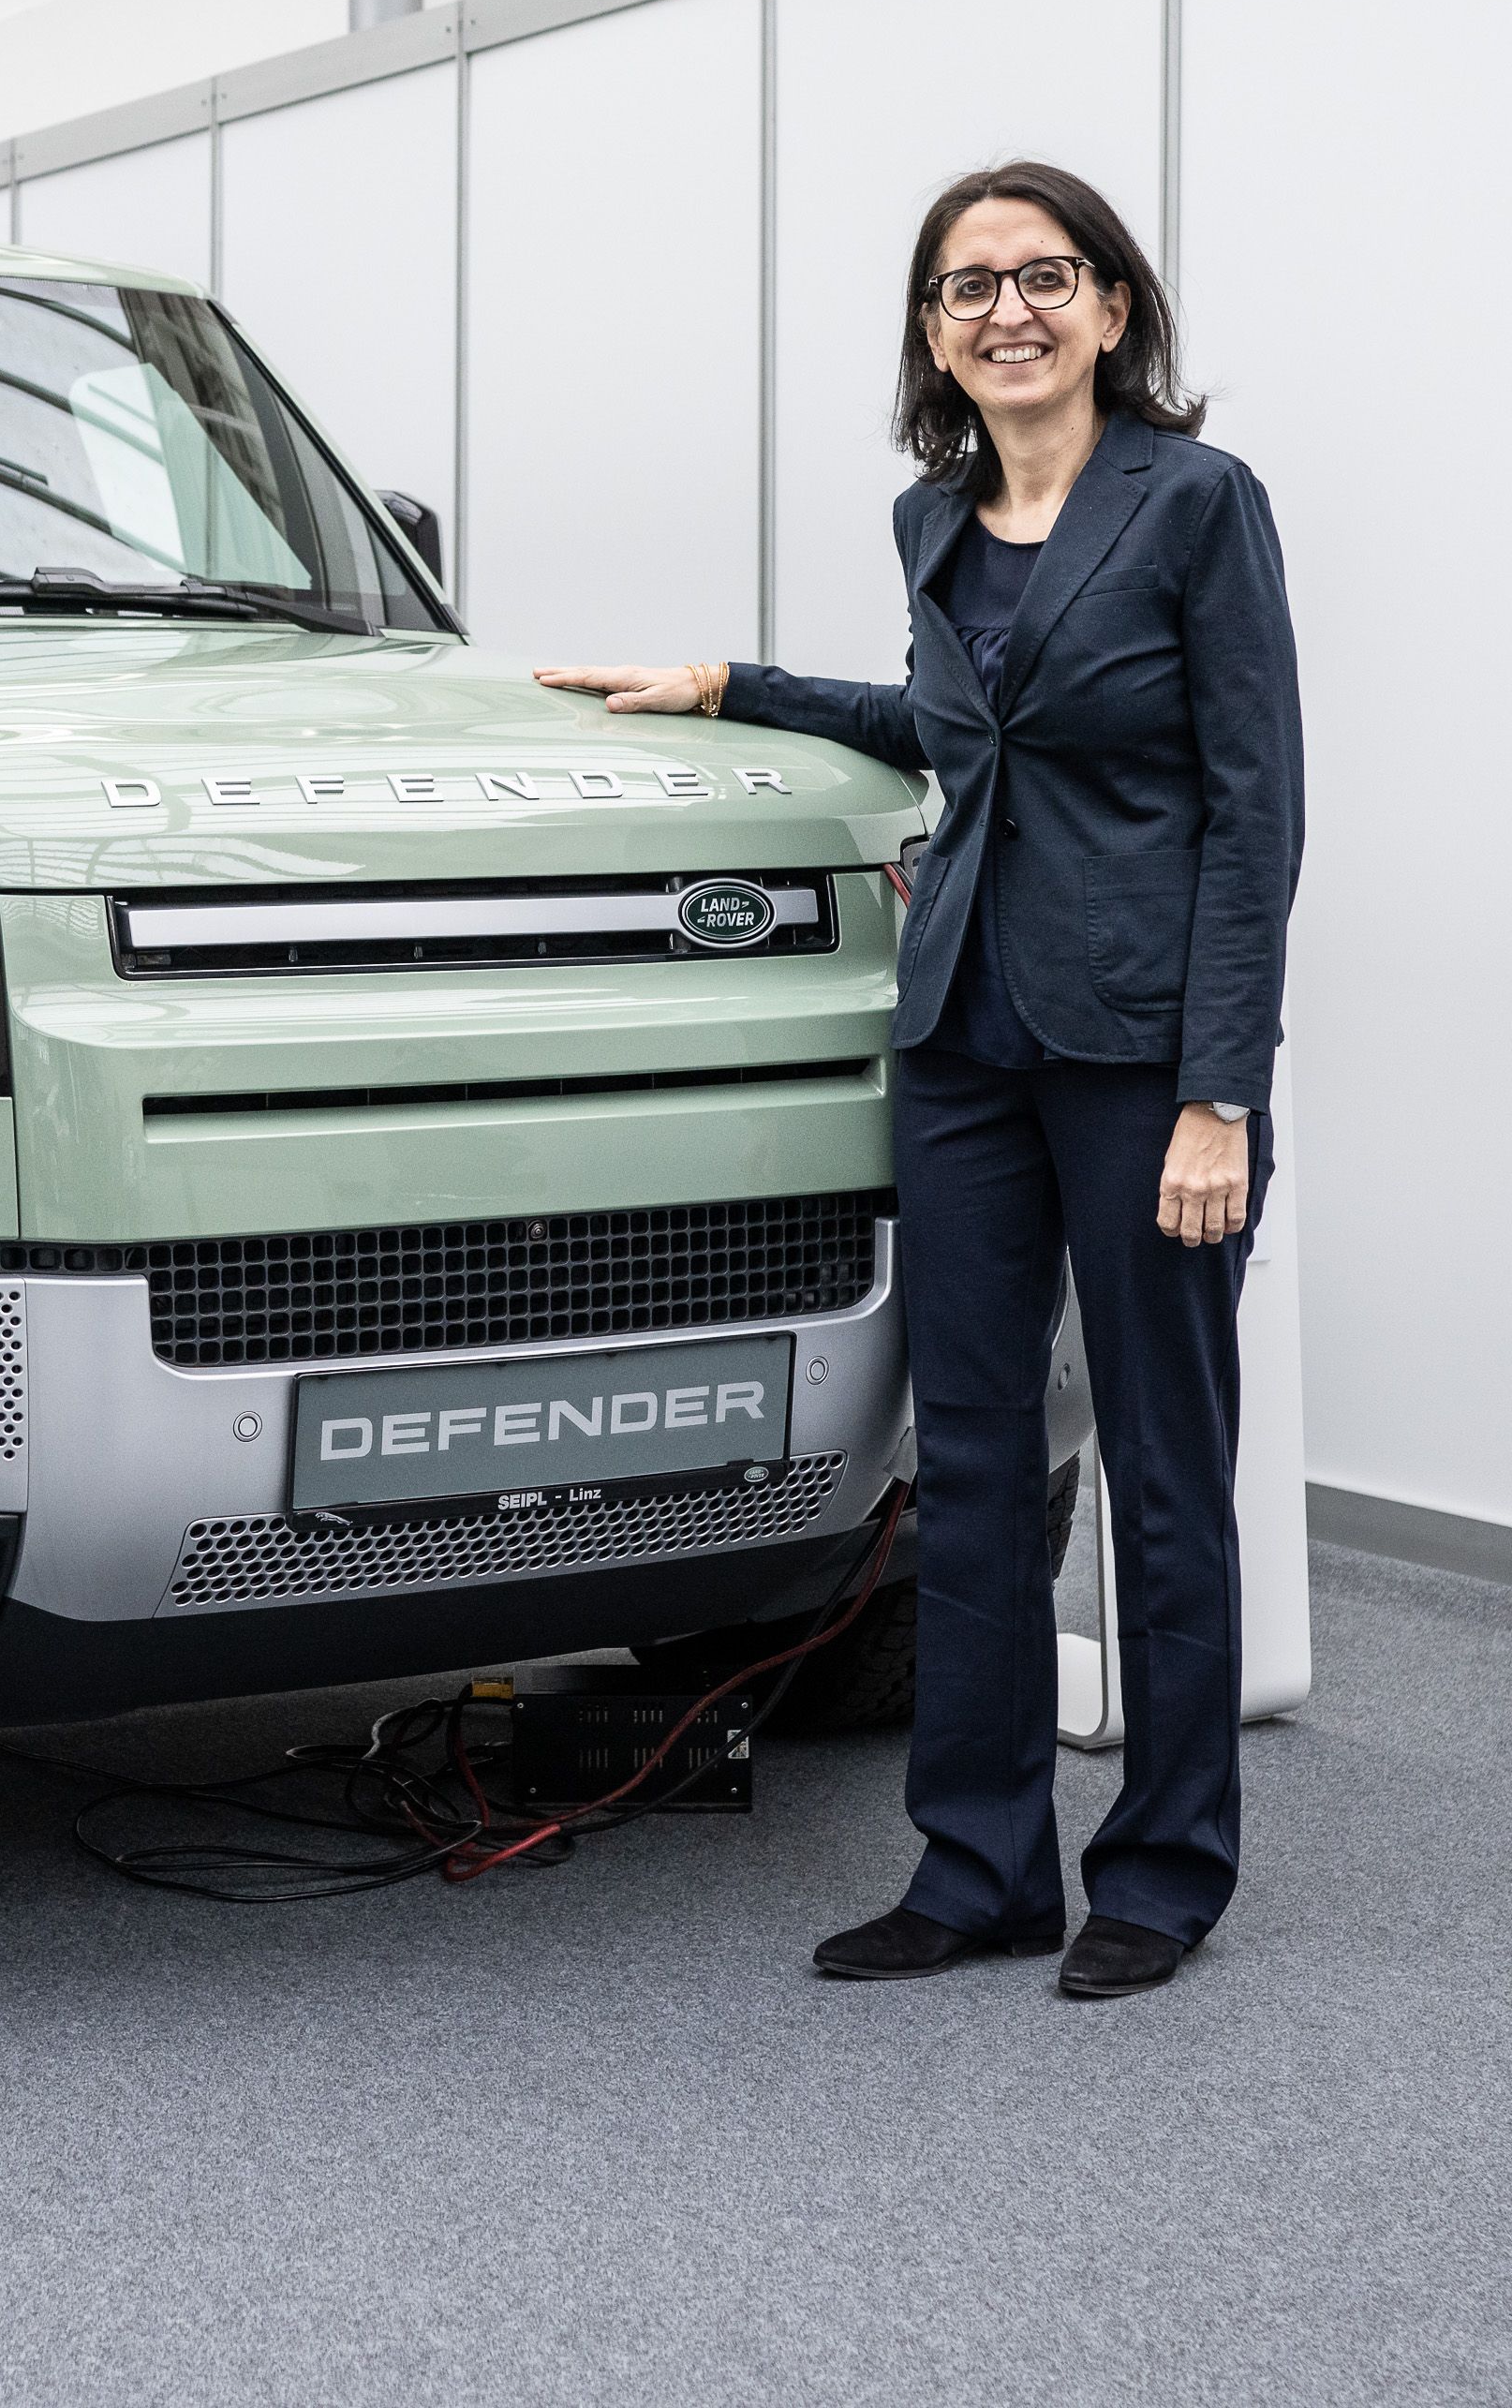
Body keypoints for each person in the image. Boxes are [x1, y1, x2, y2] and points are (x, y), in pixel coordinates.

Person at [538, 162, 1300, 2000]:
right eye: (967, 289)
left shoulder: (1197, 505)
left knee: (1164, 1473)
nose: (1006, 312)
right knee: (962, 1473)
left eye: (1045, 277)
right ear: (932, 335)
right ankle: (977, 1868)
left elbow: (1255, 809)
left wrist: (1222, 1093)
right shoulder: (935, 520)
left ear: (1115, 310)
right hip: (959, 1037)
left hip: (1138, 1060)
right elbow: (946, 726)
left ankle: (1165, 1873)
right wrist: (735, 685)